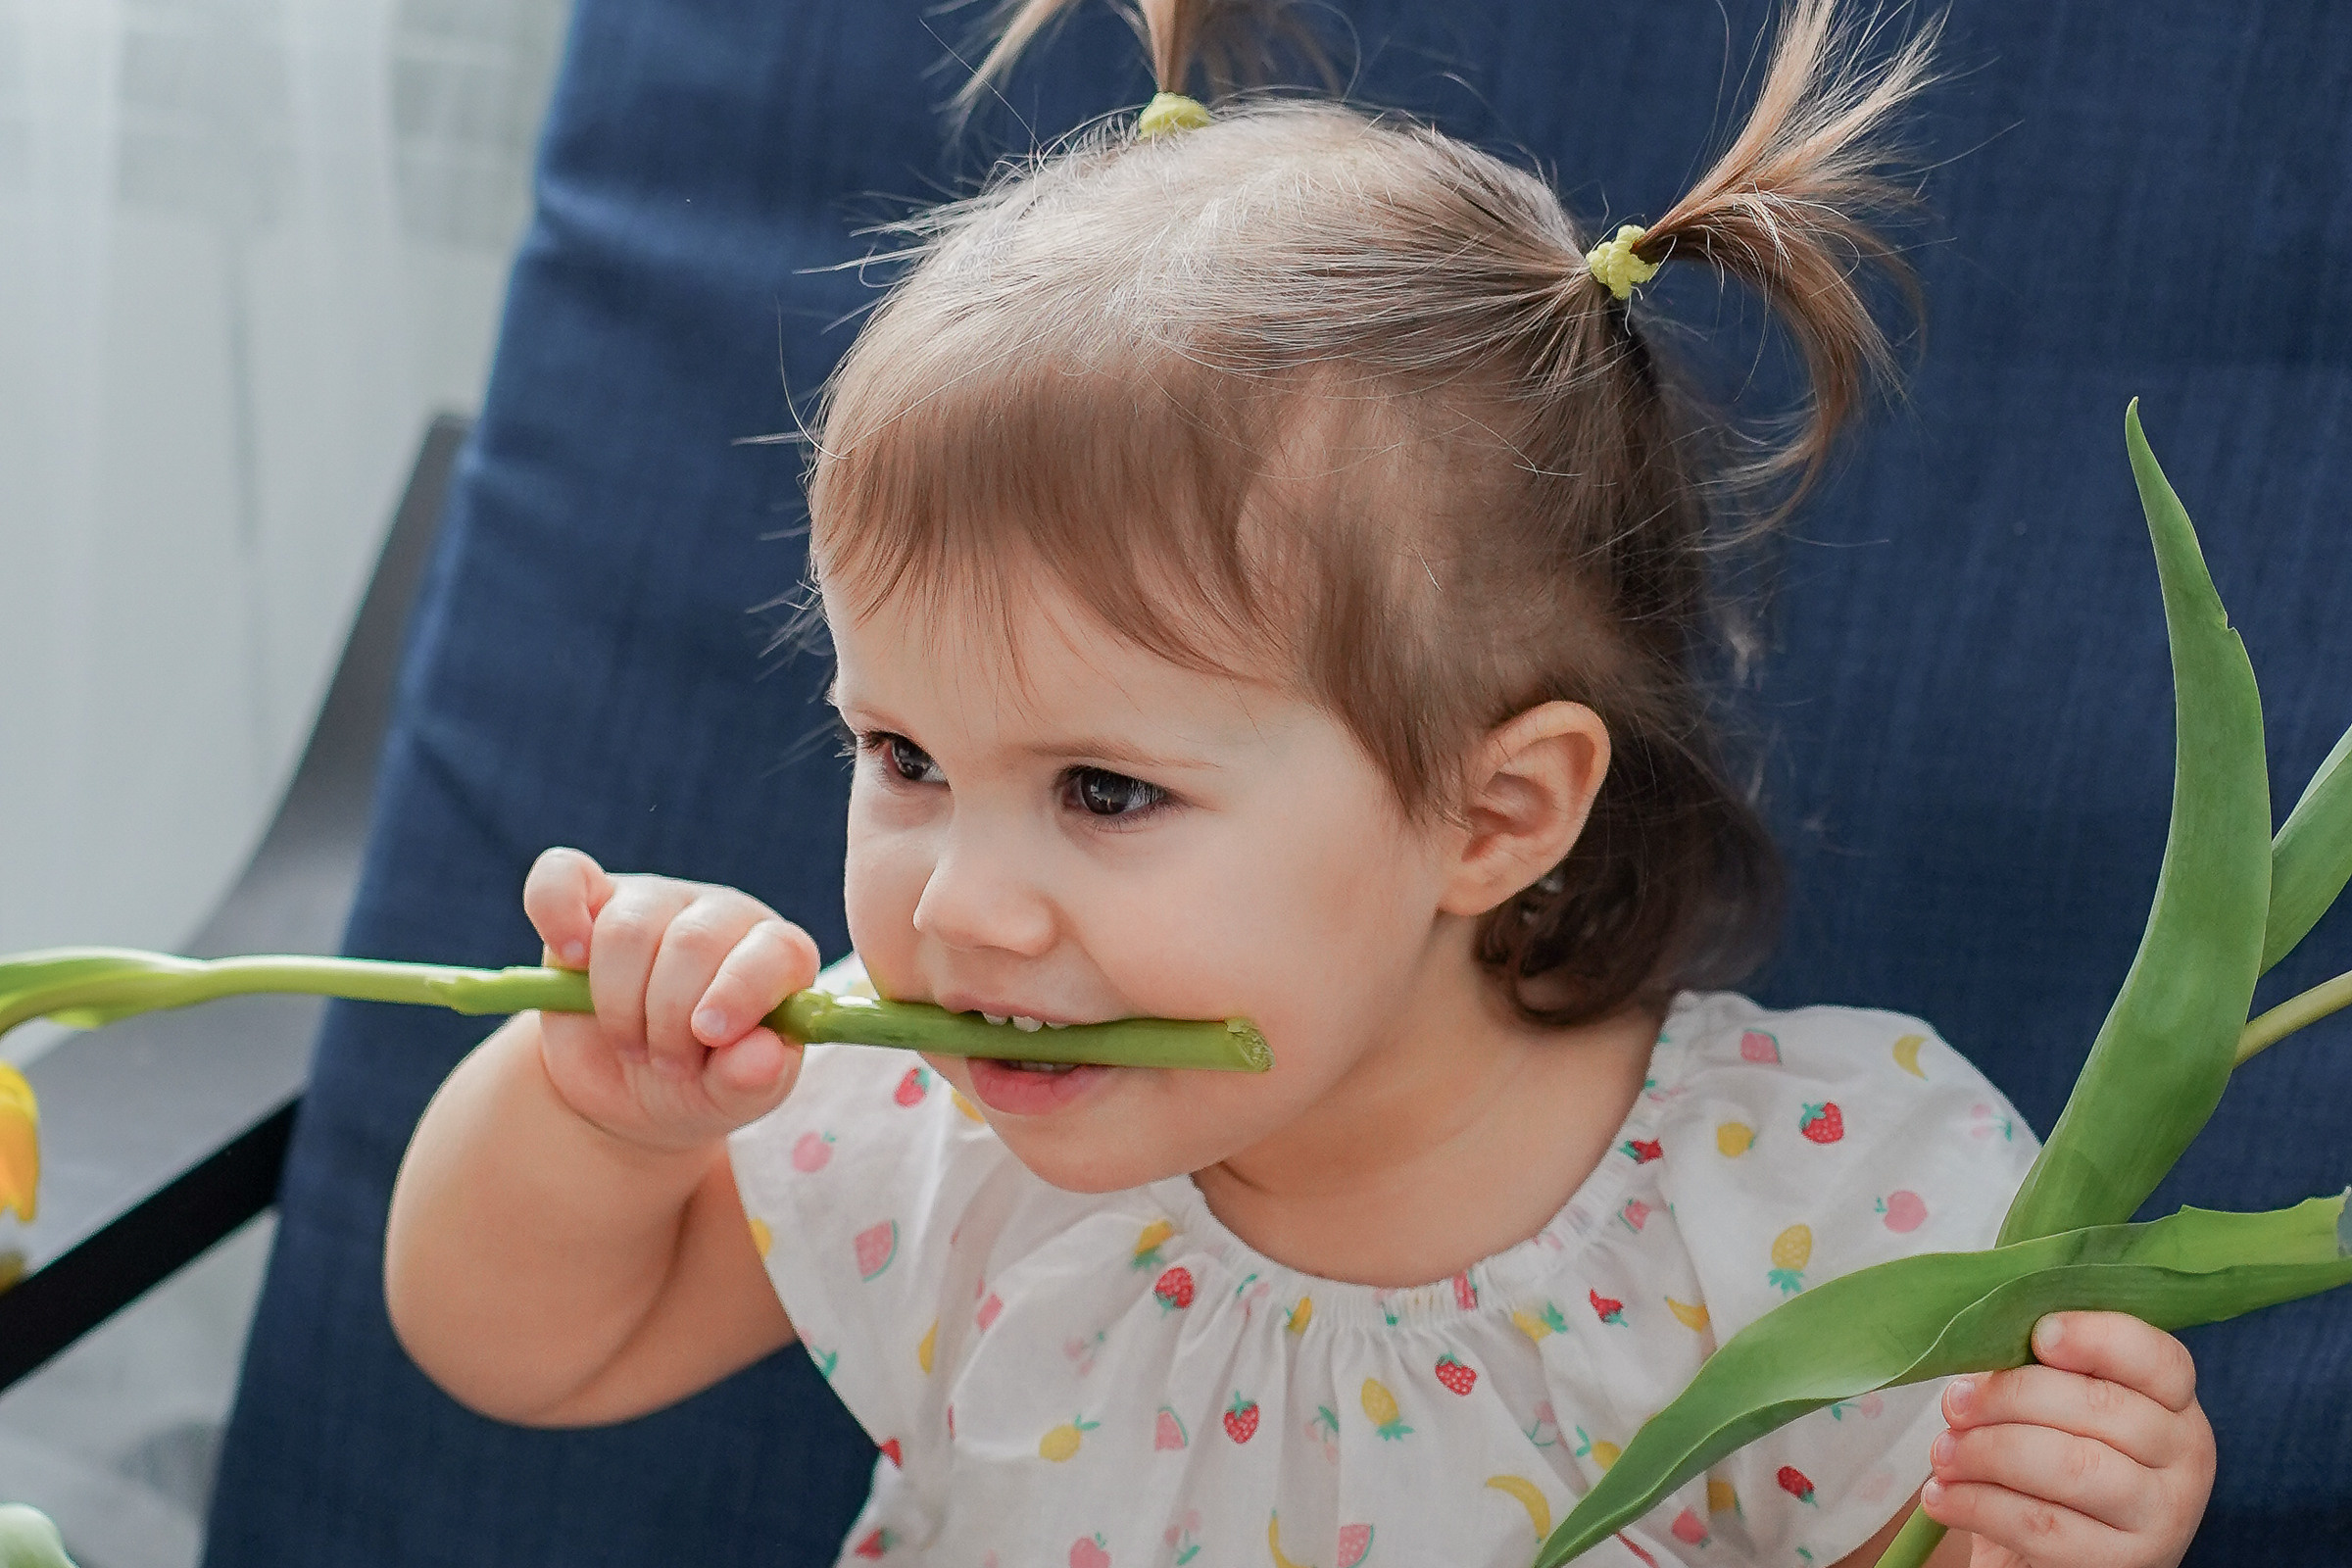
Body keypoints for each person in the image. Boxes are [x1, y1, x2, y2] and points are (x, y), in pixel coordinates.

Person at [383, 2, 2218, 1563]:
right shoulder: (942, 1136)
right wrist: (608, 1122)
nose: (953, 907)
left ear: (1492, 816)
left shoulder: (1831, 1218)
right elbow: (532, 1348)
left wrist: (2056, 1525)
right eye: (906, 757)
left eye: (1104, 791)